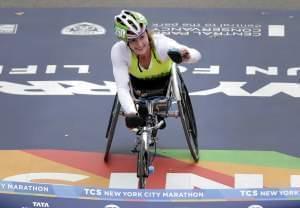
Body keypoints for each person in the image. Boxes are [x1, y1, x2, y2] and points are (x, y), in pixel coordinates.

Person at [111, 10, 201, 129]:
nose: (139, 44)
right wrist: (131, 112)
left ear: (147, 32)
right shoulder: (119, 51)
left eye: (142, 37)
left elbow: (196, 55)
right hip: (138, 89)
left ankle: (157, 116)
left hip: (163, 86)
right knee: (138, 117)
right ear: (126, 42)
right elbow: (122, 87)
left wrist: (187, 55)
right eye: (133, 40)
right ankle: (143, 115)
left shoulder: (161, 44)